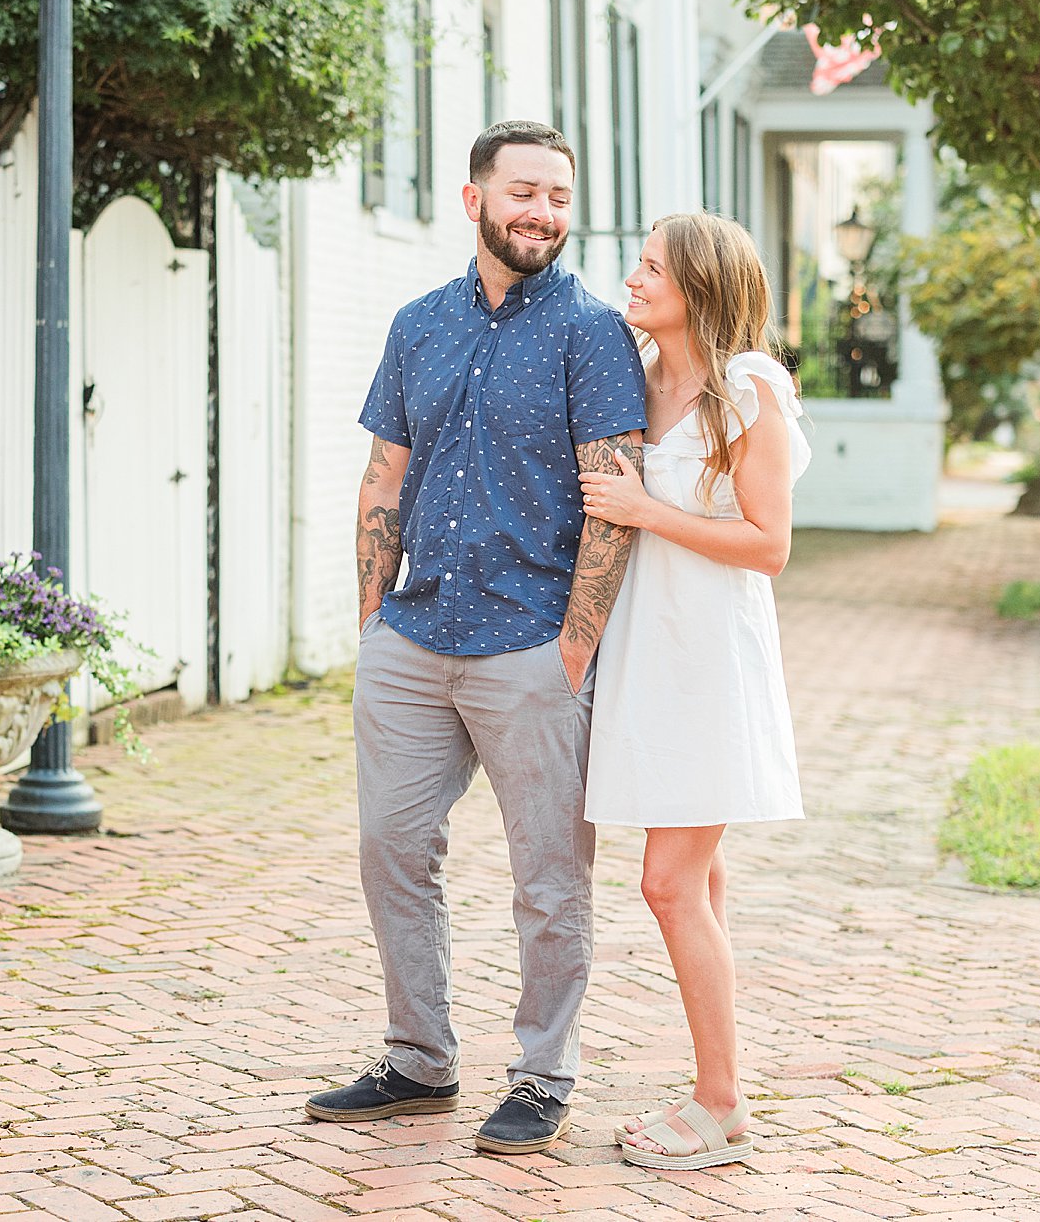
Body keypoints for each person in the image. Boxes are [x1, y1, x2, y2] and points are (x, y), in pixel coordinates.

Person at [305, 120, 647, 1155]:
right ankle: (418, 1058)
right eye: (522, 192)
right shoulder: (416, 323)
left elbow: (613, 496)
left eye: (556, 195)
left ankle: (543, 1071)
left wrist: (572, 649)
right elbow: (382, 473)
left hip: (528, 646)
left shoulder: (590, 332)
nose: (541, 211)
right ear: (473, 200)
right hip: (412, 637)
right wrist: (370, 619)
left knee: (548, 875)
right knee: (390, 851)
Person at [576, 211, 810, 1171]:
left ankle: (722, 1103)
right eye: (635, 264)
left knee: (666, 883)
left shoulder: (748, 385)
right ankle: (718, 1078)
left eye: (652, 268)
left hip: (711, 657)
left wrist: (645, 509)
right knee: (699, 880)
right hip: (647, 650)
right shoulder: (638, 374)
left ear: (701, 288)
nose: (633, 280)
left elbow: (770, 546)